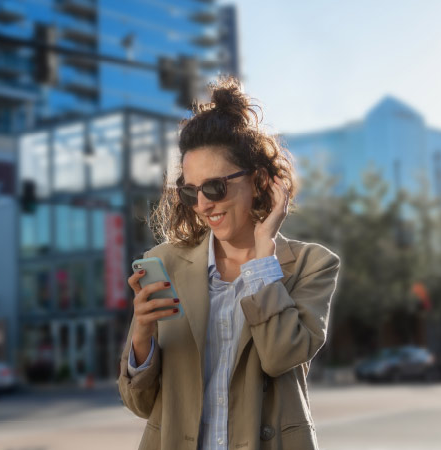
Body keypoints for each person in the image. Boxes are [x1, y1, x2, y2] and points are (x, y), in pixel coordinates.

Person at [117, 77, 341, 450]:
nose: (203, 204)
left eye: (215, 187)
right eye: (191, 191)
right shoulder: (163, 264)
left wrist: (262, 256)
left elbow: (279, 356)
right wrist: (141, 336)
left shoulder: (310, 265)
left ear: (260, 181)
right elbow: (140, 403)